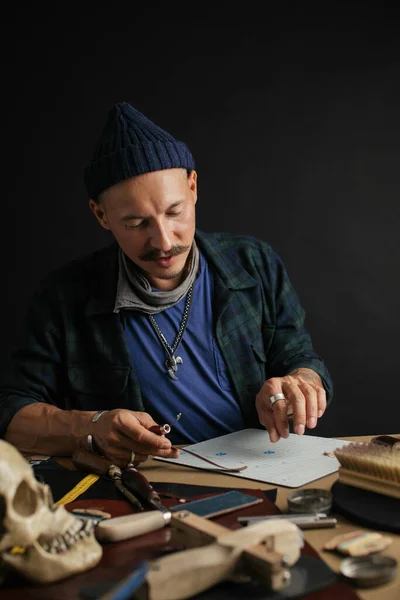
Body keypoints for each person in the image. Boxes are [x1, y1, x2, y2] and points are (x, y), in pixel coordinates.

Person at [0, 102, 333, 468]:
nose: (162, 242)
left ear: (192, 187)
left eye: (174, 212)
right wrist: (90, 426)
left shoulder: (254, 262)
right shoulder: (63, 298)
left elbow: (300, 356)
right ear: (101, 214)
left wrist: (299, 383)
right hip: (148, 485)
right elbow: (10, 412)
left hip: (263, 470)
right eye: (136, 223)